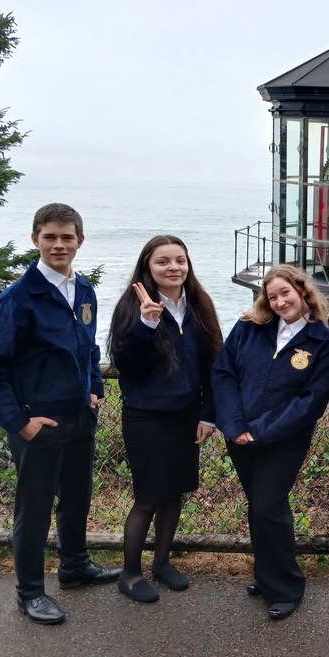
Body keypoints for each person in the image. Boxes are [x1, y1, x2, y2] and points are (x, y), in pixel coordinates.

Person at [0, 203, 121, 625]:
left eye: (67, 237)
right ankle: (30, 593)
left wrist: (94, 388)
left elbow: (88, 348)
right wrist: (21, 423)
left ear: (80, 241)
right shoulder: (18, 300)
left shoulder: (84, 291)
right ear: (35, 238)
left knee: (76, 499)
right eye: (50, 236)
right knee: (33, 510)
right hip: (38, 423)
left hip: (79, 418)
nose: (59, 244)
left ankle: (74, 567)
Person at [213, 264, 329, 620]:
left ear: (302, 292)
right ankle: (267, 574)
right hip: (239, 435)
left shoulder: (322, 342)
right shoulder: (250, 328)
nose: (281, 301)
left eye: (286, 293)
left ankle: (286, 587)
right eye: (273, 296)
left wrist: (261, 430)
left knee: (268, 506)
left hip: (284, 440)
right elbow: (224, 373)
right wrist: (235, 424)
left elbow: (311, 401)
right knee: (261, 507)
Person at [108, 235, 222, 603]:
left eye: (180, 260)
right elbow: (129, 368)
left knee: (175, 494)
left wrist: (209, 415)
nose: (173, 268)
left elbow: (213, 367)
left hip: (187, 416)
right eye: (163, 262)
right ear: (148, 267)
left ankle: (162, 562)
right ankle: (130, 573)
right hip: (146, 417)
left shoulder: (199, 306)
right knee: (148, 497)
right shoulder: (133, 307)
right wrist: (147, 325)